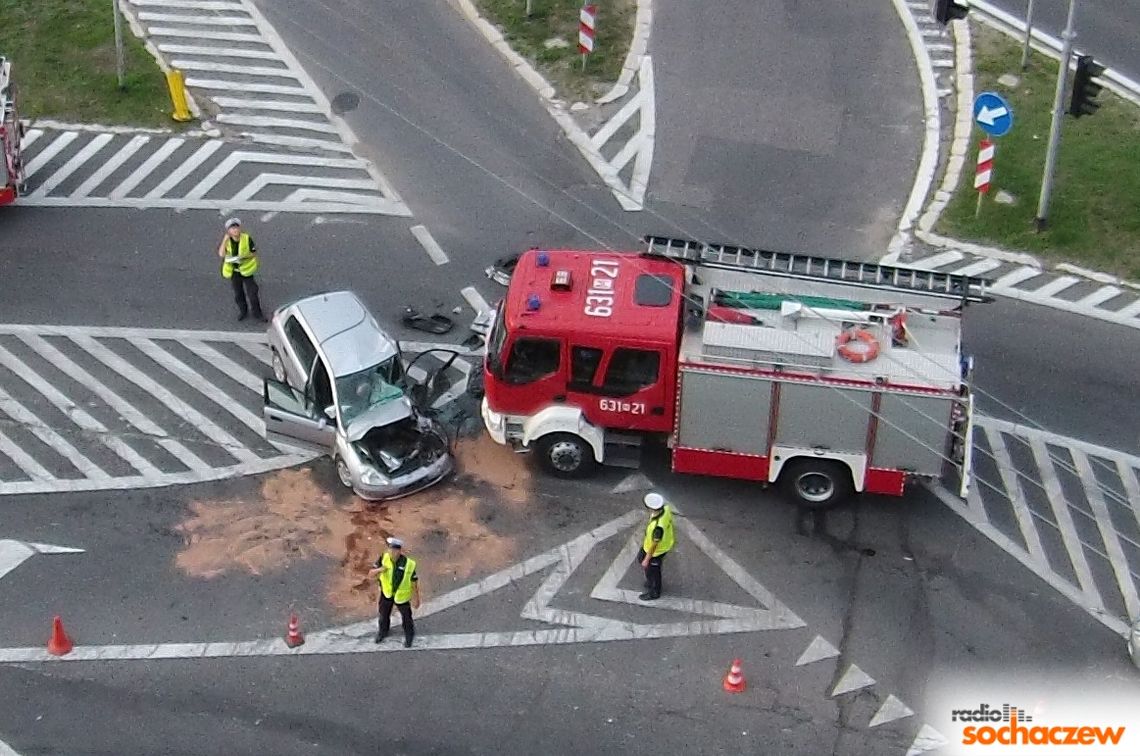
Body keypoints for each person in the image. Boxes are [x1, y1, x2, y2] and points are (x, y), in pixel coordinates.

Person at [368, 536, 420, 647]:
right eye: (390, 549)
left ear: (399, 551)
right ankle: (383, 632)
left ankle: (409, 634)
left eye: (395, 550)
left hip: (402, 596)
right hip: (386, 594)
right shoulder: (383, 558)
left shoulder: (409, 564)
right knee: (383, 615)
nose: (392, 552)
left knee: (406, 618)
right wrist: (380, 569)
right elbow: (371, 574)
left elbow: (414, 582)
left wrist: (416, 598)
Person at [216, 217, 265, 322]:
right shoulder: (227, 241)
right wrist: (225, 240)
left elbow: (254, 253)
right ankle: (243, 311)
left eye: (236, 227)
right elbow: (221, 254)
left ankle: (257, 313)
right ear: (228, 231)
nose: (235, 230)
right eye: (232, 228)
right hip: (234, 271)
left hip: (246, 270)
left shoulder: (246, 238)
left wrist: (244, 257)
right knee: (238, 294)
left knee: (253, 293)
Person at [637, 492, 675, 601]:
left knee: (653, 571)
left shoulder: (658, 527)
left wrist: (647, 559)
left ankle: (654, 591)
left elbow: (654, 544)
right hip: (660, 545)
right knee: (641, 558)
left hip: (656, 551)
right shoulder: (665, 509)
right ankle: (650, 581)